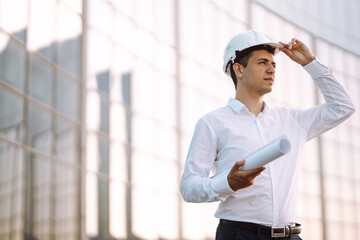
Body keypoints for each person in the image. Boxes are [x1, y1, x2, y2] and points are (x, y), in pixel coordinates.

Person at [179, 29, 355, 239]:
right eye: (262, 62)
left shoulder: (293, 120)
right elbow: (189, 186)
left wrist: (310, 63)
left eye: (273, 64)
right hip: (239, 235)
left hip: (291, 236)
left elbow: (343, 107)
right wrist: (227, 182)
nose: (271, 69)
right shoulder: (212, 123)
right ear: (239, 69)